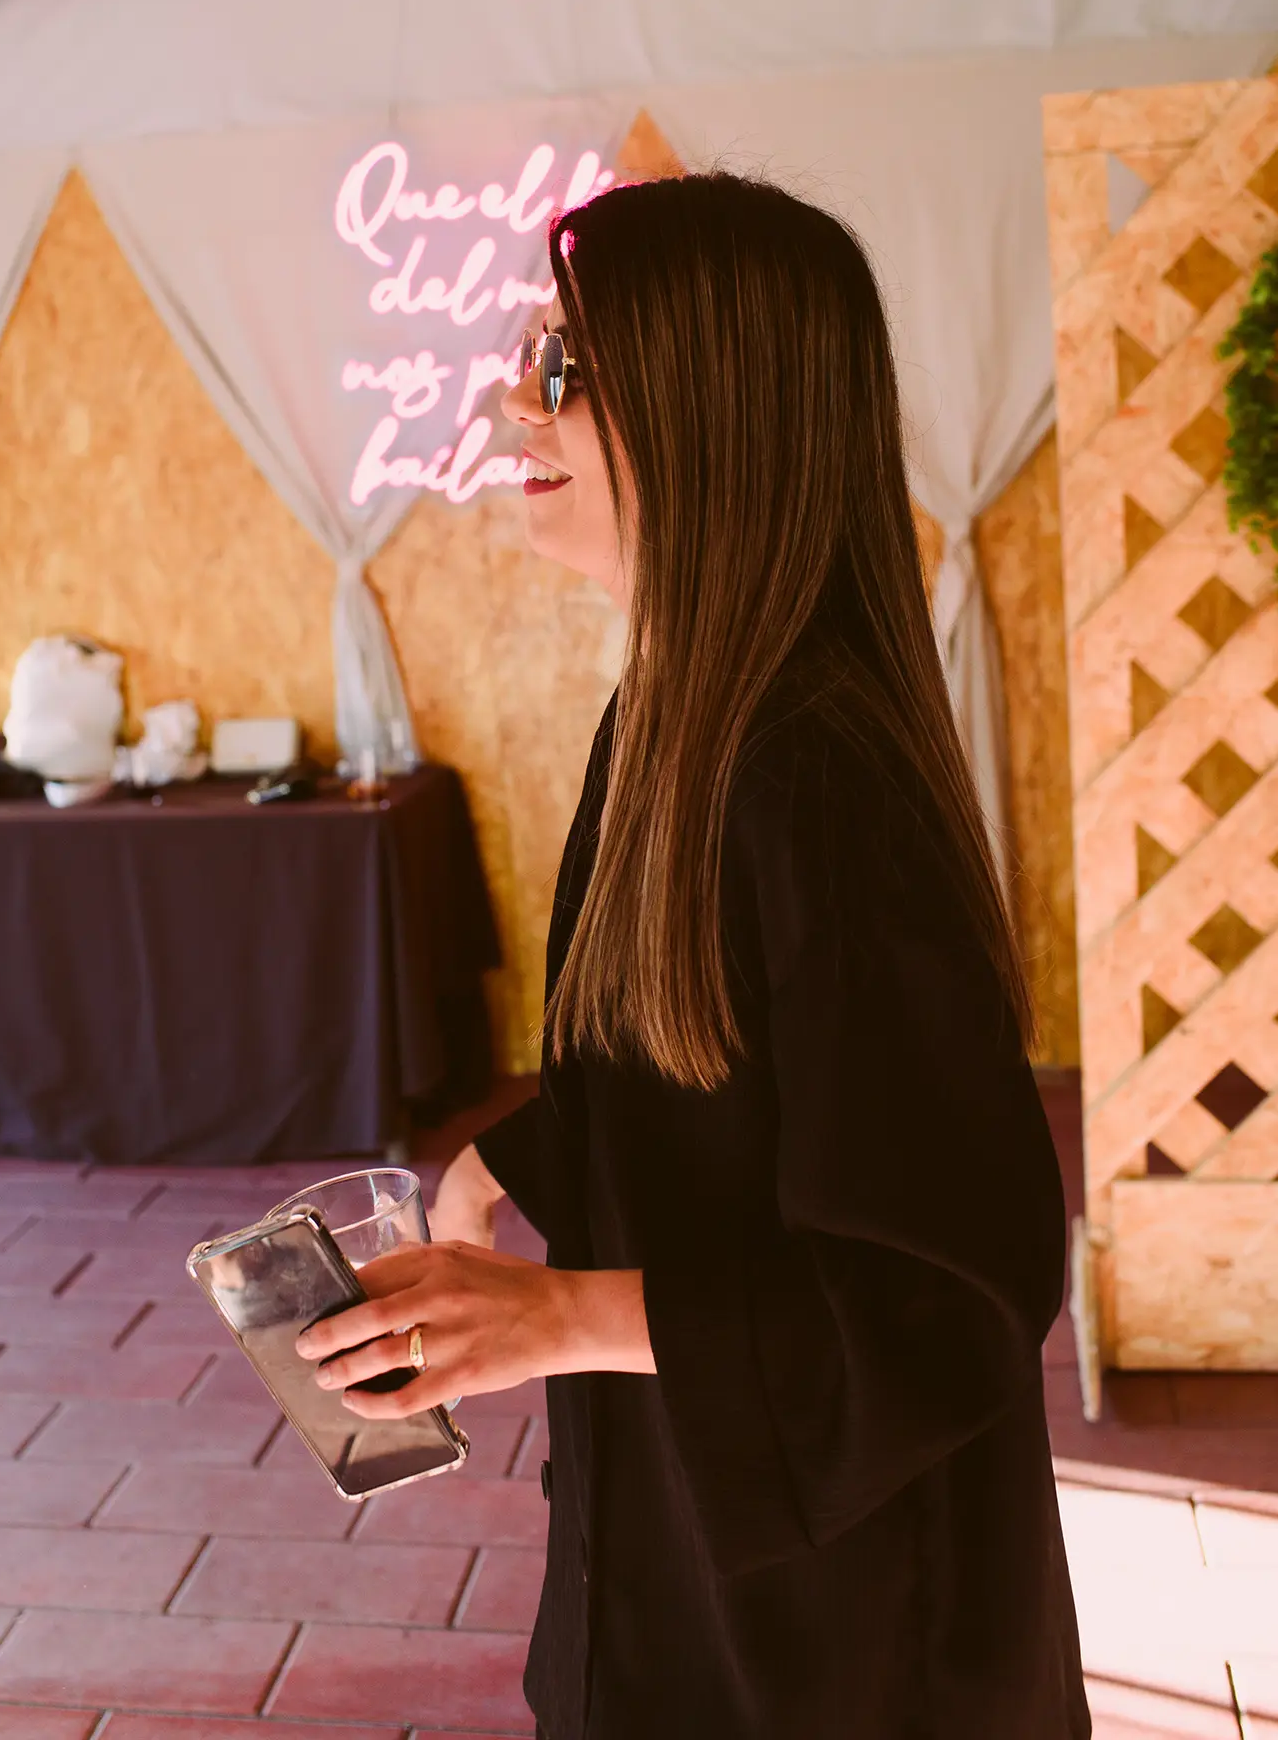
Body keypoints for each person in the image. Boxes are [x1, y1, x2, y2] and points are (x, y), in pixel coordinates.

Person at [297, 172, 1089, 1739]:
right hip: (681, 1570)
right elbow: (704, 1060)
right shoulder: (674, 715)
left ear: (716, 408)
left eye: (564, 367)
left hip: (855, 1647)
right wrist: (502, 1168)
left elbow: (948, 1291)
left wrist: (558, 1318)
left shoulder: (820, 783)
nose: (513, 400)